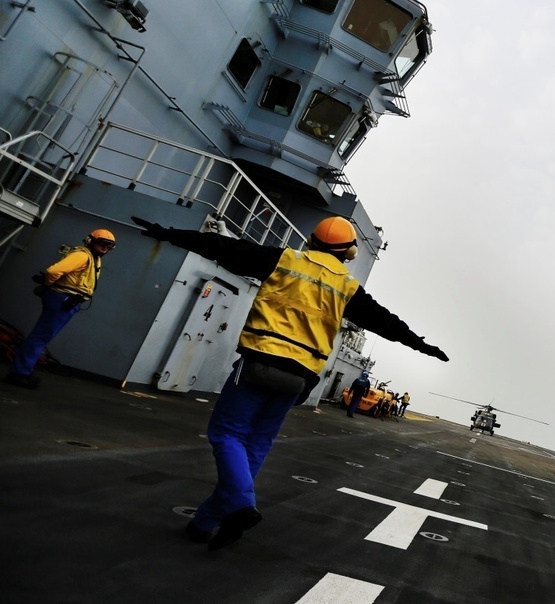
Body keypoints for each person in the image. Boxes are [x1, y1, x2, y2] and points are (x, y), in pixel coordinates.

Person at [130, 215, 448, 550]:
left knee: (227, 433)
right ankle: (207, 521)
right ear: (351, 252)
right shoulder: (348, 287)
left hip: (259, 363)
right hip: (300, 378)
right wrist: (421, 345)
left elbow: (223, 247)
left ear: (311, 240)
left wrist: (167, 232)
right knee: (257, 444)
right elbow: (387, 323)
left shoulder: (284, 259)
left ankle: (241, 506)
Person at [3, 228, 116, 389]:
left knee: (43, 337)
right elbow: (53, 271)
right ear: (91, 241)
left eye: (109, 246)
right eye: (103, 244)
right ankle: (19, 373)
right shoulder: (82, 255)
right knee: (40, 337)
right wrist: (50, 285)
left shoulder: (94, 257)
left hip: (70, 301)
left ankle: (23, 370)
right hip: (63, 299)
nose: (105, 248)